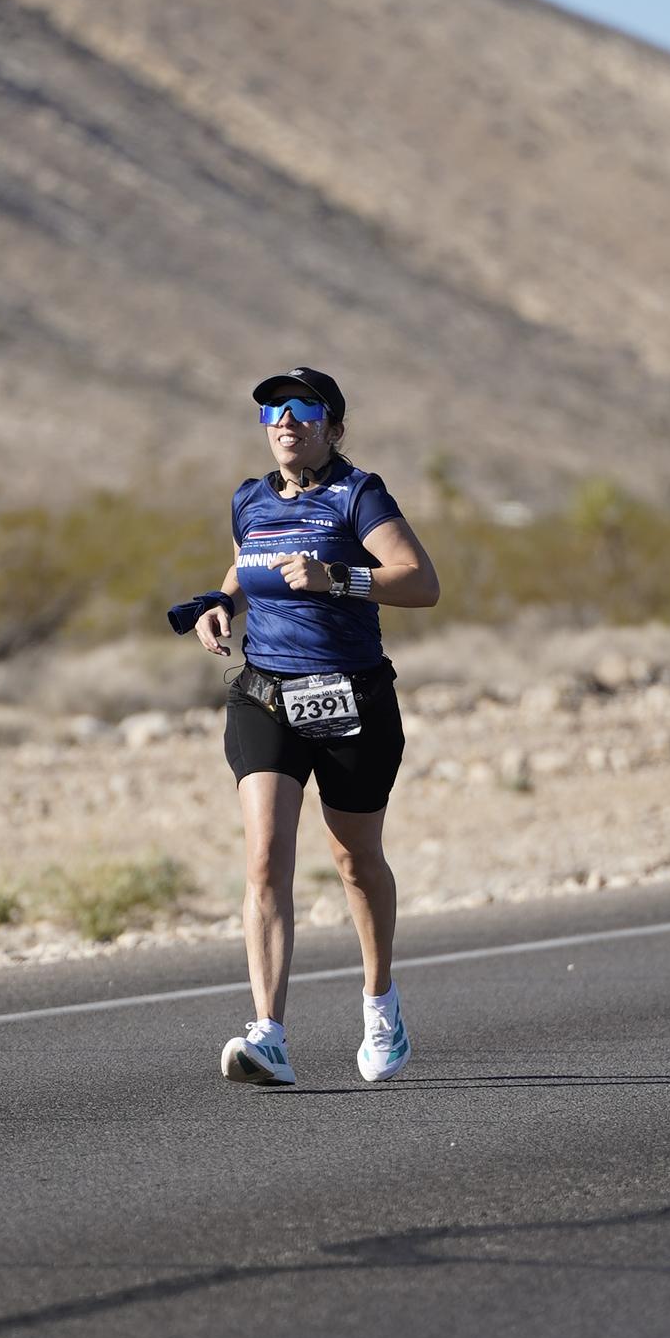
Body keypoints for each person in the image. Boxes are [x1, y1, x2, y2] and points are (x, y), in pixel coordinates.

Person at [192, 365, 440, 1087]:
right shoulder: (249, 499)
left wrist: (341, 578)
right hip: (266, 695)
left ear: (333, 426)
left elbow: (421, 582)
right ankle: (268, 1034)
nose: (286, 421)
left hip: (351, 697)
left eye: (303, 408)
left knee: (355, 861)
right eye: (273, 411)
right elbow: (246, 565)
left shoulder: (359, 494)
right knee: (265, 859)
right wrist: (220, 602)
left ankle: (381, 1005)